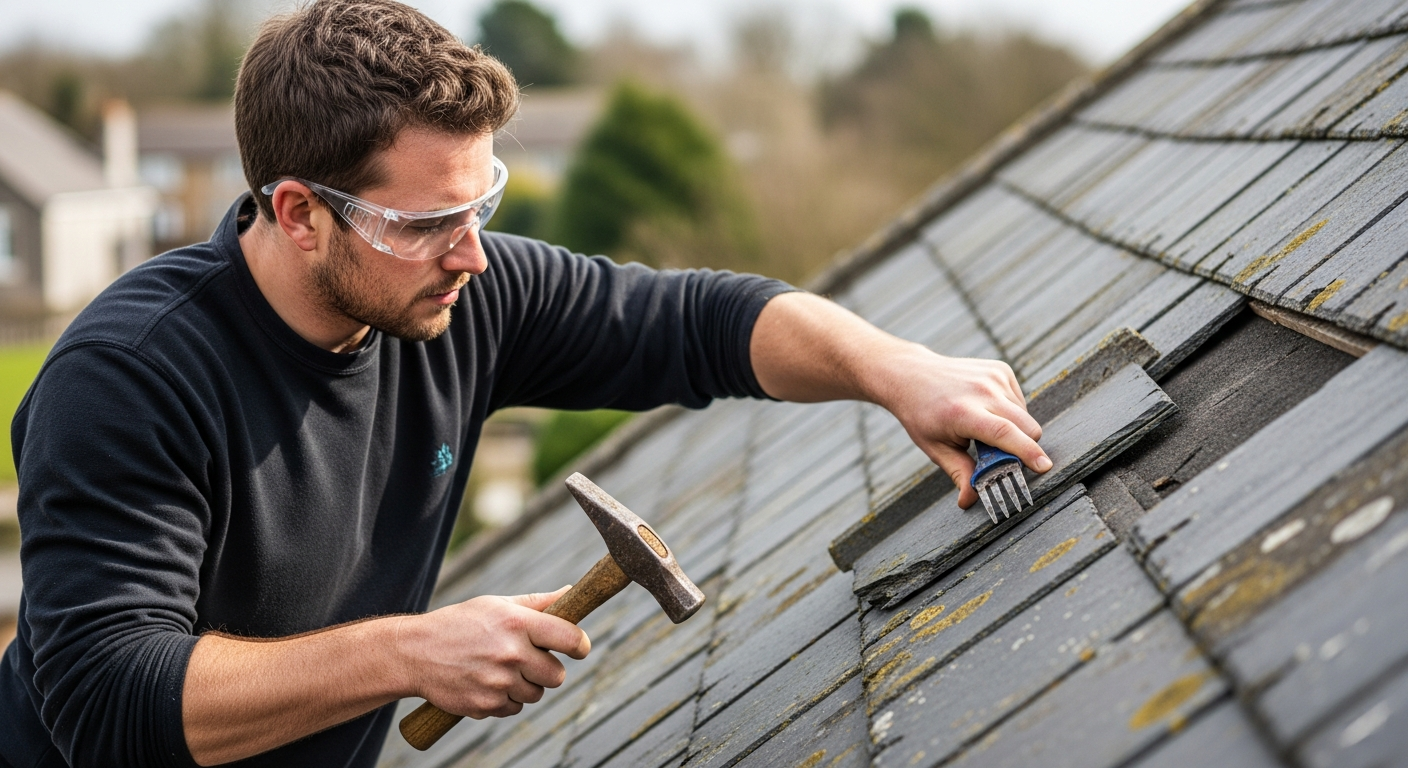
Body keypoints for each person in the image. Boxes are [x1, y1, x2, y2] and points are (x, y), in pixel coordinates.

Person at [0, 1, 1049, 766]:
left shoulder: (457, 298)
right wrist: (410, 651)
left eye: (482, 204)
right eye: (426, 225)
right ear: (297, 214)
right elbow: (110, 706)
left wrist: (892, 368)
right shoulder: (131, 381)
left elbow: (702, 323)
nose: (474, 257)